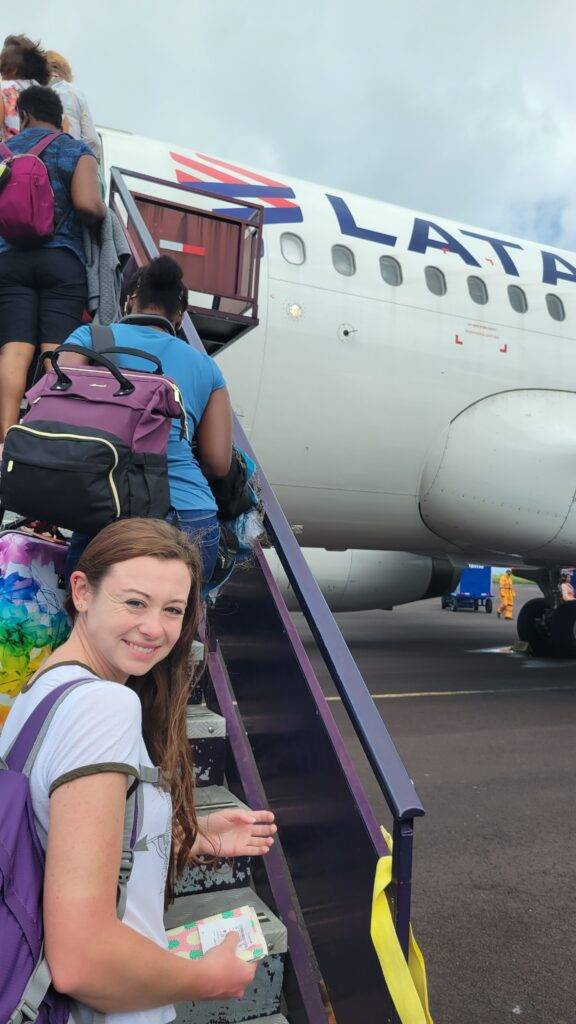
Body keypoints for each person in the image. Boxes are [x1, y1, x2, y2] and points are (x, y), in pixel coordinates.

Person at [0, 517, 276, 1022]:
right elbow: (82, 963)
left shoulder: (45, 686)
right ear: (81, 591)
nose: (155, 628)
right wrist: (210, 978)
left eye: (173, 610)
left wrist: (187, 838)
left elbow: (55, 844)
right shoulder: (104, 707)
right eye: (134, 602)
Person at [61, 255, 233, 585]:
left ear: (129, 301)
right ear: (179, 316)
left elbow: (61, 400)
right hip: (189, 515)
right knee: (170, 630)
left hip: (107, 508)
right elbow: (217, 463)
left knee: (90, 625)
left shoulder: (89, 337)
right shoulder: (206, 367)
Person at [0, 85, 106, 443]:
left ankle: (4, 439)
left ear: (24, 116)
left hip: (11, 261)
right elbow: (89, 206)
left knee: (15, 349)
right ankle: (47, 433)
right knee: (54, 351)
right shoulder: (76, 150)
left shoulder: (4, 153)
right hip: (61, 261)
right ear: (60, 119)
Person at [46, 49, 102, 161]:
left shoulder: (28, 94)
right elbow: (93, 140)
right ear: (66, 72)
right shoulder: (76, 94)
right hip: (68, 164)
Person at [0, 33, 49, 139]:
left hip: (11, 153)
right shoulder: (51, 96)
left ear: (13, 68)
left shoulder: (3, 90)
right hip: (46, 154)